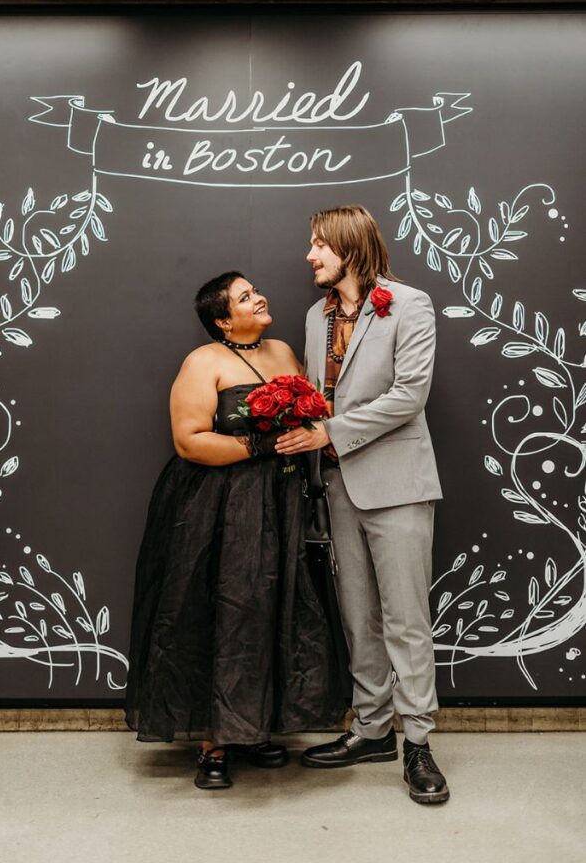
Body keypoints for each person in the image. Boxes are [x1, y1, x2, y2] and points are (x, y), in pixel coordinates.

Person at [125, 271, 344, 790]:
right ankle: (213, 742)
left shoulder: (286, 351)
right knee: (225, 611)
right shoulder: (203, 363)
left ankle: (254, 727)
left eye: (255, 290)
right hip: (223, 507)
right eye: (245, 297)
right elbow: (189, 441)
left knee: (273, 607)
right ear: (223, 319)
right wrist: (262, 447)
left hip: (281, 500)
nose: (259, 297)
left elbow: (314, 409)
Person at [275, 205, 450, 805]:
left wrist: (331, 433)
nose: (310, 256)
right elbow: (317, 396)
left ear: (349, 247)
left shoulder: (409, 303)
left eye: (319, 244)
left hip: (398, 483)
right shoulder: (312, 316)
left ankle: (419, 743)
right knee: (357, 615)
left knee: (406, 618)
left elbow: (409, 395)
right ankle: (372, 729)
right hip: (338, 486)